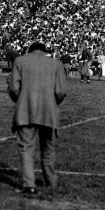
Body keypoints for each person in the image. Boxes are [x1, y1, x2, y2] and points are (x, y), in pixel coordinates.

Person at [8, 41, 67, 195]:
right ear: (45, 51)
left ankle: (29, 185)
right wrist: (53, 103)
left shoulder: (20, 61)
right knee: (48, 148)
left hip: (25, 109)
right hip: (49, 110)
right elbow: (61, 91)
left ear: (30, 50)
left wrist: (21, 100)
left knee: (26, 148)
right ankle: (51, 181)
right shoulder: (56, 64)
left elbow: (14, 88)